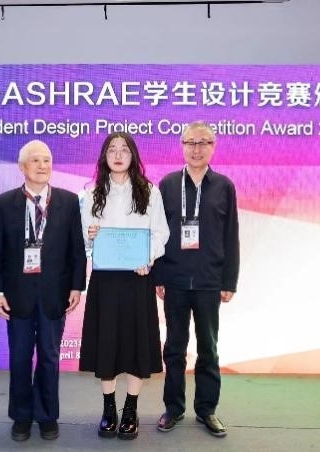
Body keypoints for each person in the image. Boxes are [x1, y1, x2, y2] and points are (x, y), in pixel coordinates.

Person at [0, 140, 87, 442]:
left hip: (55, 294)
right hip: (17, 295)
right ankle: (21, 416)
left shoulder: (69, 201)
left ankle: (46, 416)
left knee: (49, 357)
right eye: (35, 160)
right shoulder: (5, 202)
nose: (43, 166)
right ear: (22, 167)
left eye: (47, 160)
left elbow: (77, 250)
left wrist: (77, 286)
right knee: (19, 358)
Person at [79, 132, 169, 440]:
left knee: (136, 344)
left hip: (138, 278)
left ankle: (130, 409)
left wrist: (147, 257)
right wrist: (91, 236)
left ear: (133, 156)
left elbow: (161, 234)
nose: (118, 155)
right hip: (105, 280)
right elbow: (84, 239)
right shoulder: (91, 193)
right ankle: (109, 409)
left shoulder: (149, 191)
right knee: (106, 344)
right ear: (104, 156)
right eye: (112, 150)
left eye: (124, 150)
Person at [154, 121, 240, 438]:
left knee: (208, 349)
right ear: (182, 146)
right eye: (190, 142)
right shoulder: (167, 184)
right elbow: (158, 234)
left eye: (203, 142)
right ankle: (173, 408)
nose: (196, 148)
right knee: (174, 348)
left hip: (209, 281)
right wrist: (158, 275)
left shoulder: (224, 186)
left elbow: (231, 236)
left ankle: (207, 410)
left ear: (213, 147)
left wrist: (229, 280)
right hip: (174, 280)